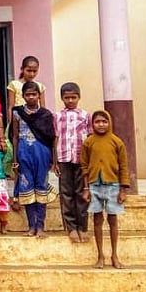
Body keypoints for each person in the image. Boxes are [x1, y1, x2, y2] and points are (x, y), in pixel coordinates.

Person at [81, 110, 130, 269]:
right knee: (97, 219)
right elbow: (84, 167)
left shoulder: (117, 142)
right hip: (94, 185)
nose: (101, 125)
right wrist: (86, 188)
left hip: (113, 185)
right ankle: (100, 255)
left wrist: (123, 189)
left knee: (113, 219)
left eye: (104, 121)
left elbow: (123, 167)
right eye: (97, 122)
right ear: (92, 124)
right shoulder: (88, 142)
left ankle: (114, 255)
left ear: (109, 123)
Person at [10, 81, 57, 237]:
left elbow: (51, 138)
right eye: (28, 94)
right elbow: (15, 137)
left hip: (42, 154)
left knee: (41, 189)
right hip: (24, 154)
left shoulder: (46, 114)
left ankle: (41, 227)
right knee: (27, 190)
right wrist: (15, 159)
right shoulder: (17, 113)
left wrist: (53, 160)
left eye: (34, 94)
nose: (31, 97)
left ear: (39, 95)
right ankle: (31, 227)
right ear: (23, 96)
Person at [53, 82, 92, 243]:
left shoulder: (85, 116)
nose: (70, 101)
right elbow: (55, 139)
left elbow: (89, 138)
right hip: (63, 159)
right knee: (66, 193)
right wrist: (54, 161)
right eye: (67, 98)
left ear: (79, 97)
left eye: (73, 97)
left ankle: (82, 227)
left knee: (81, 193)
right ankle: (71, 227)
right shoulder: (57, 116)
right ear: (62, 98)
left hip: (80, 159)